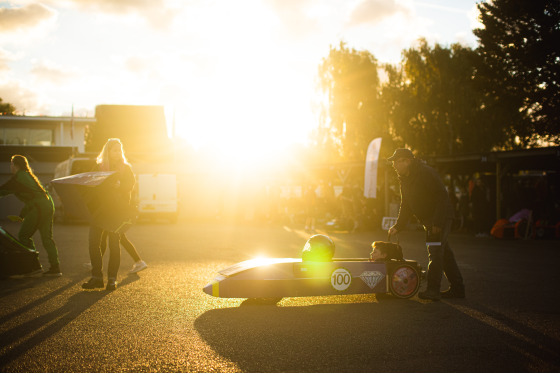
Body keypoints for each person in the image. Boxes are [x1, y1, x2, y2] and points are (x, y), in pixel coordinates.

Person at [387, 148, 465, 300]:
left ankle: (433, 290)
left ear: (407, 161)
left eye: (396, 162)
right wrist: (398, 226)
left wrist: (437, 222)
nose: (394, 165)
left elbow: (442, 196)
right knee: (445, 254)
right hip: (430, 221)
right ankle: (458, 289)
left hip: (439, 219)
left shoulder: (425, 172)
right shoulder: (404, 179)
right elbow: (406, 205)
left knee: (435, 252)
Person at [82, 138, 136, 291]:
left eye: (120, 150)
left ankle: (112, 279)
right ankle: (96, 277)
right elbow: (91, 186)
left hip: (117, 212)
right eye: (115, 150)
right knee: (93, 243)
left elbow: (130, 186)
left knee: (114, 244)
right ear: (108, 151)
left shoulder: (126, 169)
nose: (118, 153)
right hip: (99, 211)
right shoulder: (99, 167)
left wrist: (120, 186)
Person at [0, 155, 61, 276]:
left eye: (11, 164)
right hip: (48, 204)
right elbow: (33, 197)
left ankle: (33, 267)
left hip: (39, 207)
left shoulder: (19, 177)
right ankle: (55, 268)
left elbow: (3, 190)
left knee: (24, 235)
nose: (10, 166)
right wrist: (23, 214)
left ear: (15, 165)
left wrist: (23, 214)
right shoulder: (28, 175)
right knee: (47, 238)